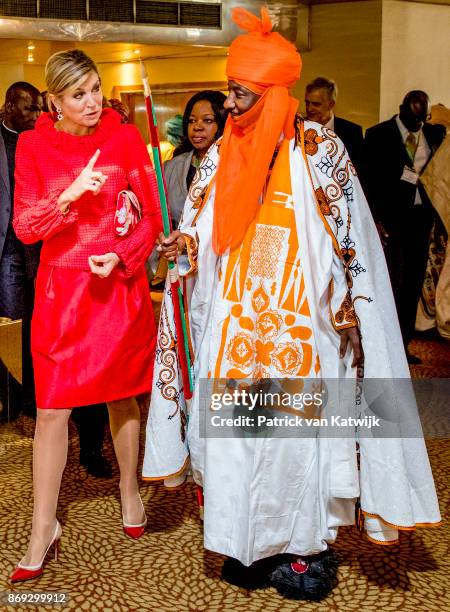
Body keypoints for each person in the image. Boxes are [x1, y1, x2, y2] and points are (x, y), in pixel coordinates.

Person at [143, 7, 441, 602]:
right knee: (239, 443)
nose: (229, 106)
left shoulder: (319, 152)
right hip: (234, 335)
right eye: (230, 92)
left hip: (303, 337)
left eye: (240, 94)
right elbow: (199, 227)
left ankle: (304, 550)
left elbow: (351, 238)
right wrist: (183, 243)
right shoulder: (223, 154)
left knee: (296, 448)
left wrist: (355, 302)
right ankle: (245, 541)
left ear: (275, 94)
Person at [10, 49, 161, 583]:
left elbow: (151, 216)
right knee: (52, 411)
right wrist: (70, 196)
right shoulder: (32, 145)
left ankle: (128, 488)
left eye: (95, 88)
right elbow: (27, 227)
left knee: (122, 395)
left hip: (115, 288)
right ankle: (41, 525)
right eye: (78, 94)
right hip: (60, 294)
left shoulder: (125, 138)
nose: (92, 101)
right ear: (54, 101)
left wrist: (122, 256)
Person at [363, 91, 446, 363]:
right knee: (391, 286)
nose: (417, 125)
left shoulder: (434, 135)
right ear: (401, 109)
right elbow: (367, 182)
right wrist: (375, 220)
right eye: (412, 119)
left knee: (411, 286)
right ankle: (380, 346)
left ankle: (402, 345)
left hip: (420, 221)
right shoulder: (378, 135)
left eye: (422, 120)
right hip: (390, 222)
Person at [149, 93, 227, 292]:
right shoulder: (172, 168)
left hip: (221, 264)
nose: (197, 127)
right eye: (192, 121)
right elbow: (157, 216)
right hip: (182, 266)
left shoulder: (233, 166)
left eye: (208, 120)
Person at [0, 82, 43, 420]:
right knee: (9, 325)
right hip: (5, 246)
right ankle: (9, 397)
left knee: (31, 324)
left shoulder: (39, 138)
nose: (36, 115)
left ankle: (28, 395)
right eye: (30, 108)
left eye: (40, 108)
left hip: (32, 247)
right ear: (10, 105)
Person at [305, 76, 364, 174]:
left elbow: (358, 174)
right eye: (307, 103)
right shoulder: (297, 129)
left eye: (316, 104)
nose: (309, 109)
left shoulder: (352, 132)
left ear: (331, 104)